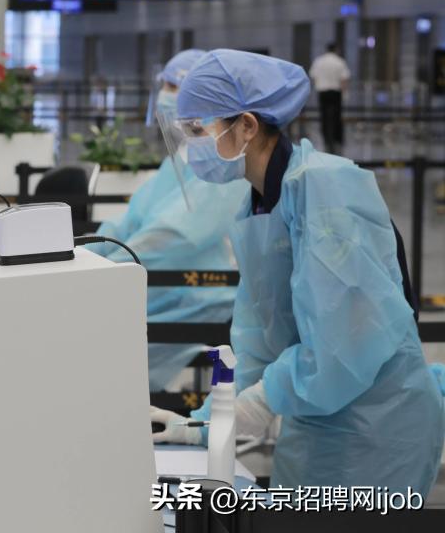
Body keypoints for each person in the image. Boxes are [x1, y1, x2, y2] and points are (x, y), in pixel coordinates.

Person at [152, 49, 445, 495]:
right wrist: (207, 422)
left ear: (247, 126)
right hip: (316, 419)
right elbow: (256, 338)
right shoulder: (258, 203)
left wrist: (264, 398)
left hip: (379, 424)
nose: (193, 145)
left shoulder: (327, 191)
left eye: (198, 130)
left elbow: (345, 344)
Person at [88, 49, 247, 390]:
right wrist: (89, 253)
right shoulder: (182, 159)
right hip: (158, 285)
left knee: (94, 344)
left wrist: (111, 269)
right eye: (168, 86)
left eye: (178, 88)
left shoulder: (222, 165)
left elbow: (174, 237)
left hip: (195, 295)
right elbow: (132, 221)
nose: (168, 96)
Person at [308, 41, 350, 154]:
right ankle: (336, 139)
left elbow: (313, 76)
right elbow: (344, 79)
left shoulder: (319, 61)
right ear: (336, 49)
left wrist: (319, 85)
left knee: (324, 116)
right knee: (336, 116)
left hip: (323, 92)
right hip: (336, 92)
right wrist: (345, 94)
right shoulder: (340, 61)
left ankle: (326, 138)